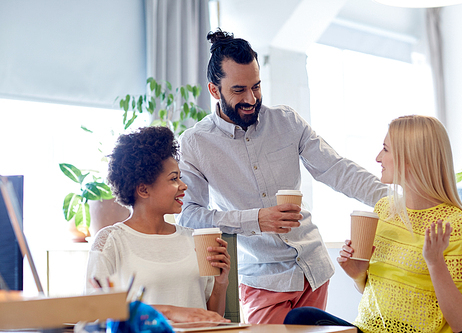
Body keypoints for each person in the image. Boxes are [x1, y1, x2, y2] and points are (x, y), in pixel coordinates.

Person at [176, 28, 388, 324]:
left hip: (313, 269)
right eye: (239, 90)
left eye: (257, 86)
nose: (251, 98)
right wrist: (256, 219)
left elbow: (337, 169)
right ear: (214, 90)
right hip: (262, 278)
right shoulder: (196, 143)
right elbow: (189, 216)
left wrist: (394, 201)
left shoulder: (287, 122)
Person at [284, 115, 462, 333]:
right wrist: (359, 273)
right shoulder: (384, 210)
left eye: (385, 149)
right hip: (366, 329)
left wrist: (435, 263)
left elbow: (461, 322)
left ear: (410, 158)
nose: (378, 158)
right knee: (300, 318)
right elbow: (371, 289)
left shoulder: (458, 225)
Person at [85, 126, 231, 324]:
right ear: (143, 190)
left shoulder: (193, 239)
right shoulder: (111, 241)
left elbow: (213, 317)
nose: (183, 185)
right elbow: (95, 313)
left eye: (180, 177)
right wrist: (170, 312)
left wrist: (221, 284)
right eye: (173, 178)